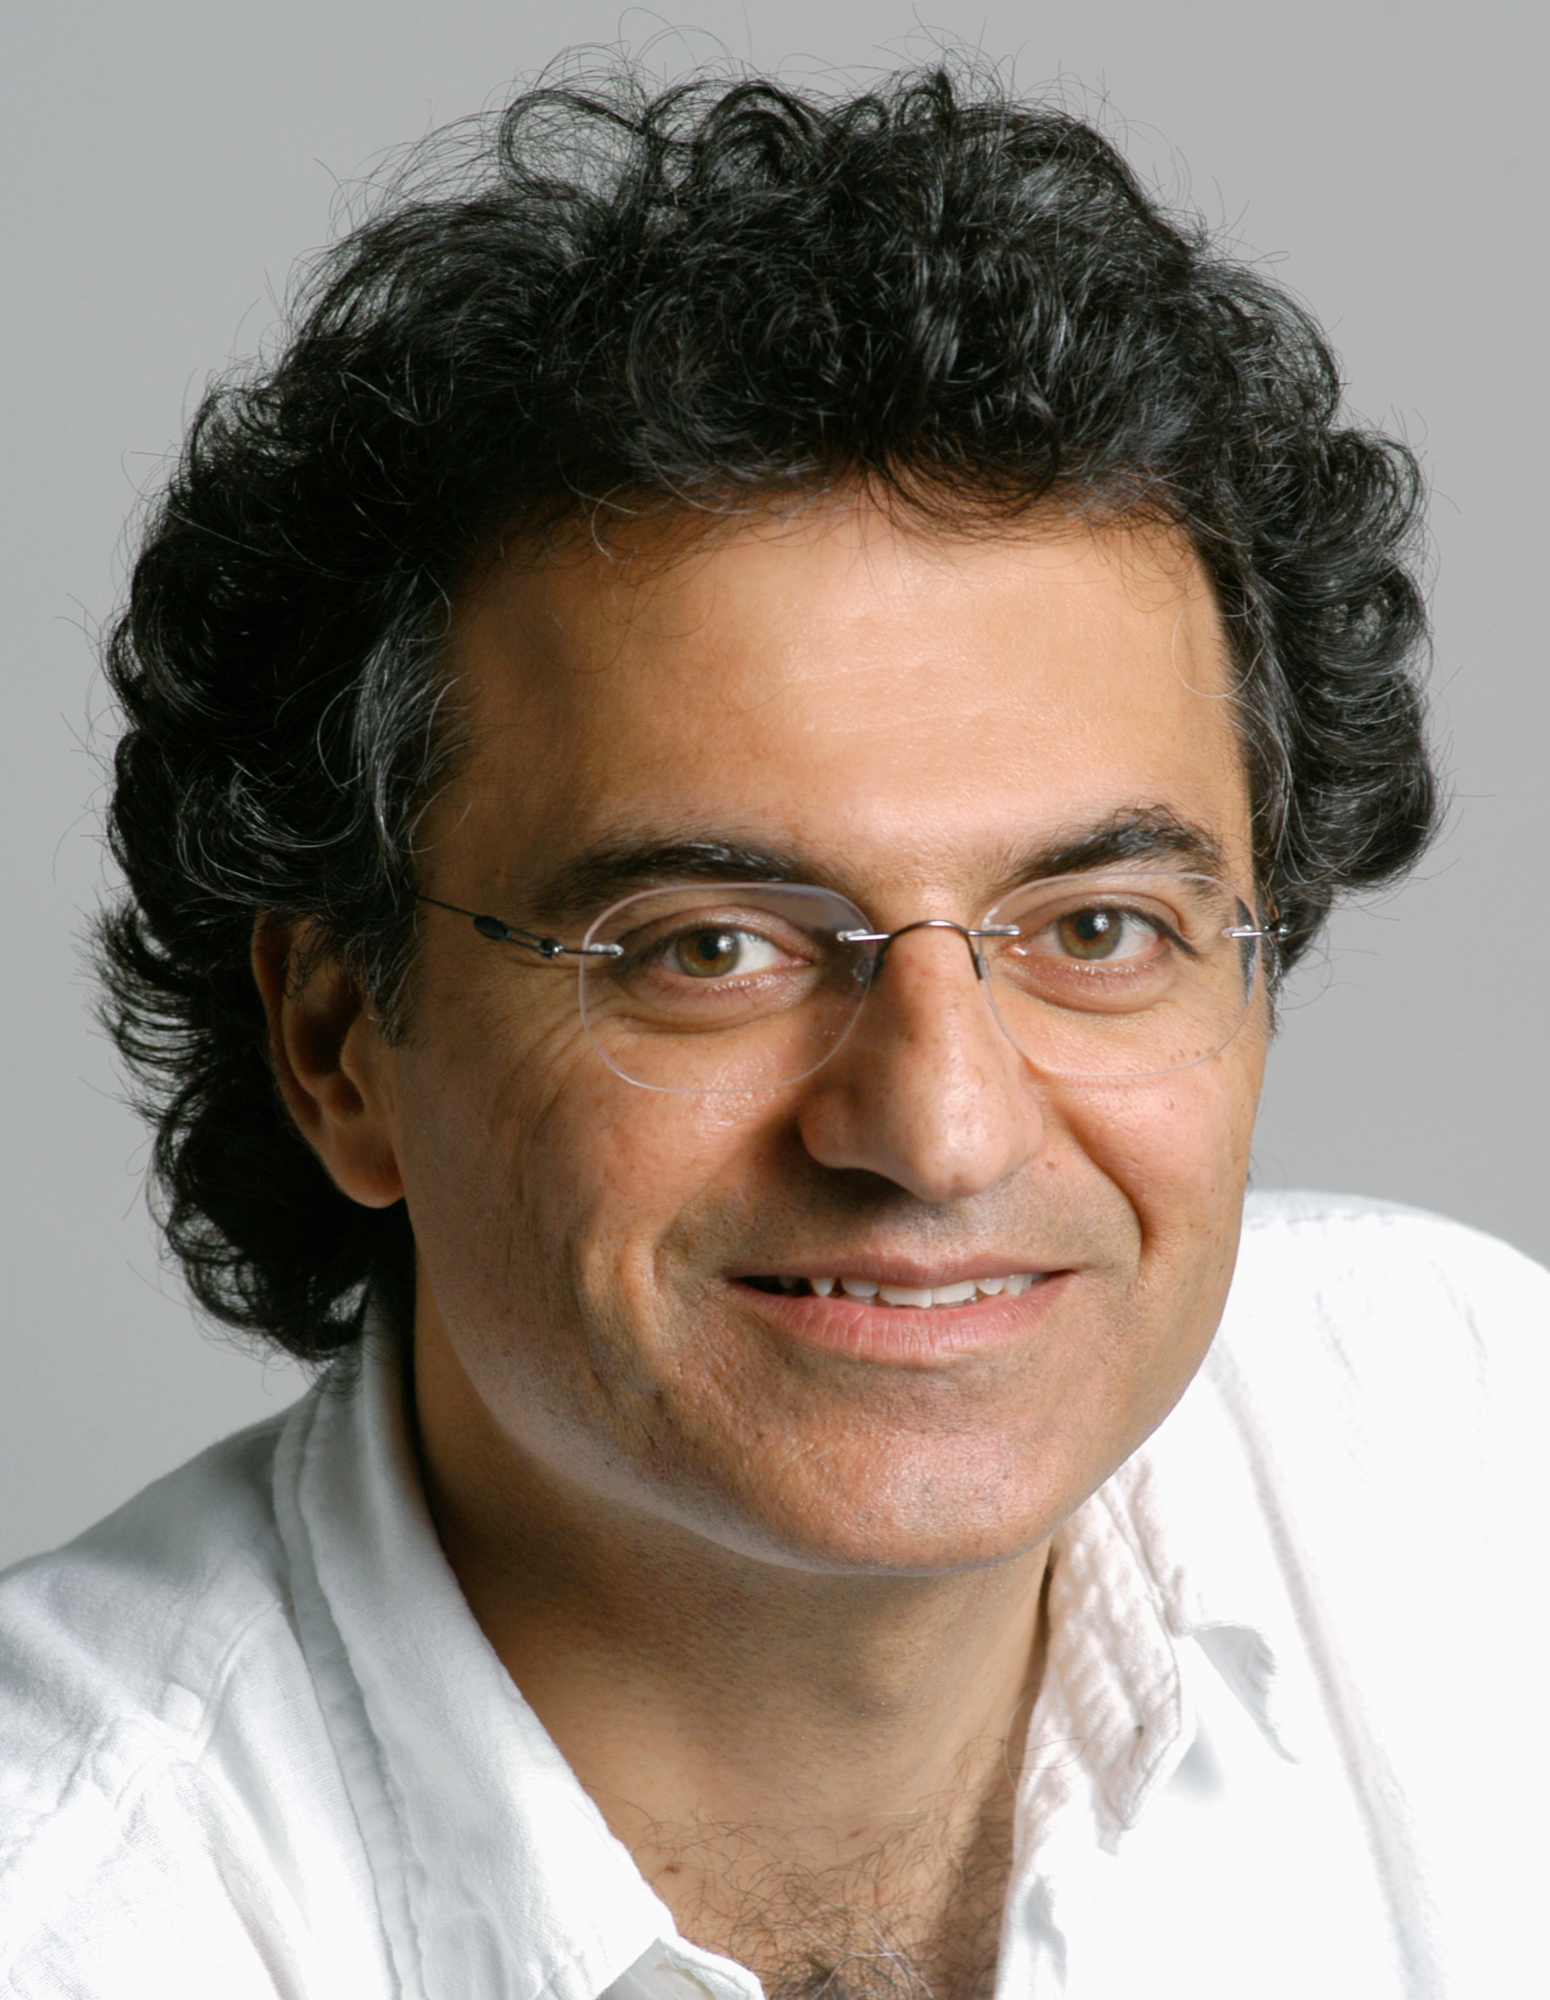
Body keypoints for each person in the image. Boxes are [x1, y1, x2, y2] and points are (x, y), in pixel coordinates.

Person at [1, 61, 1544, 2000]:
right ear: (338, 1042)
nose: (943, 1125)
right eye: (710, 944)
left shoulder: (1479, 1479)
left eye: (1093, 924)